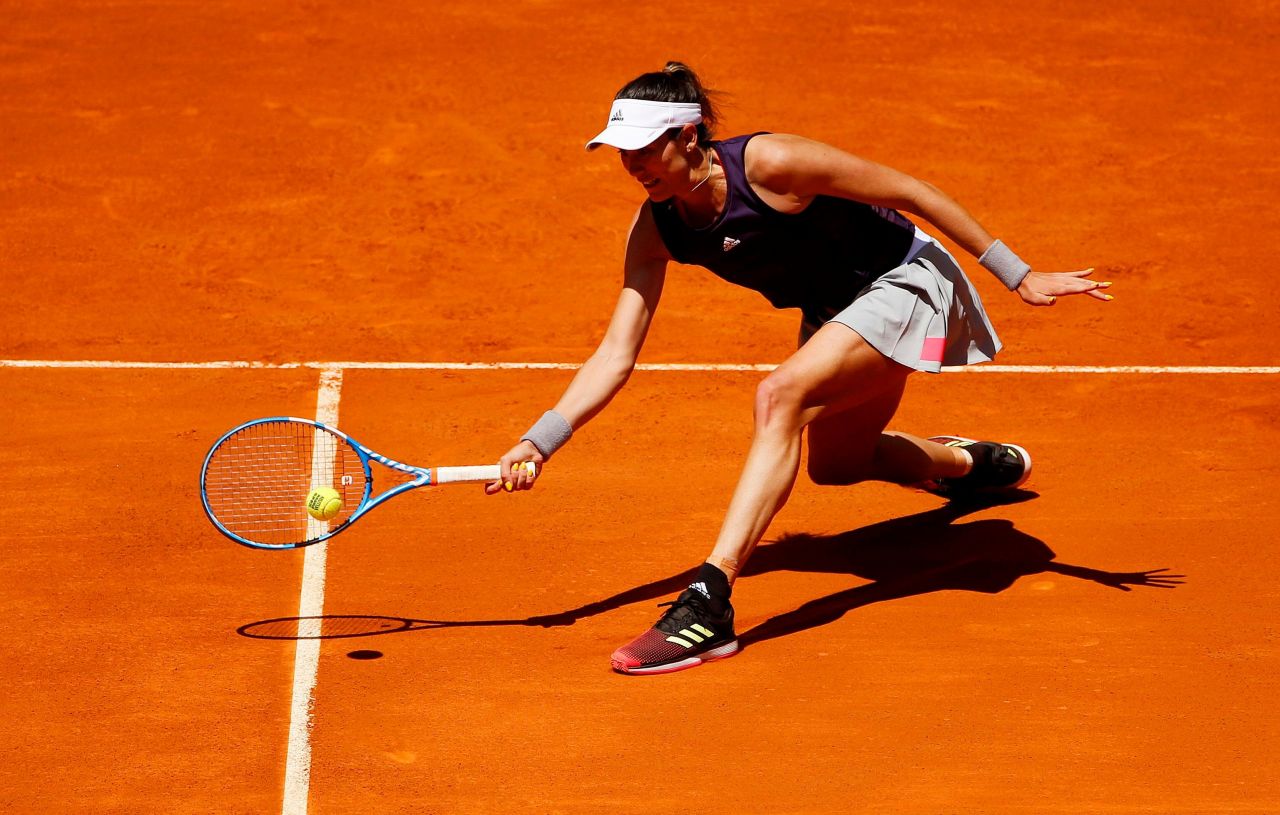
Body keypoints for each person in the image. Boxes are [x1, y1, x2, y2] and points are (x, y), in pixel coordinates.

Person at [485, 62, 1112, 676]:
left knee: (780, 396)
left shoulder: (771, 164)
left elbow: (910, 191)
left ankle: (709, 601)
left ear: (689, 134)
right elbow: (615, 355)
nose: (631, 164)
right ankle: (966, 464)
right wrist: (539, 442)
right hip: (837, 312)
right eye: (621, 151)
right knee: (837, 467)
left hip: (907, 283)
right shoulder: (657, 229)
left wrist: (1018, 273)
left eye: (644, 148)